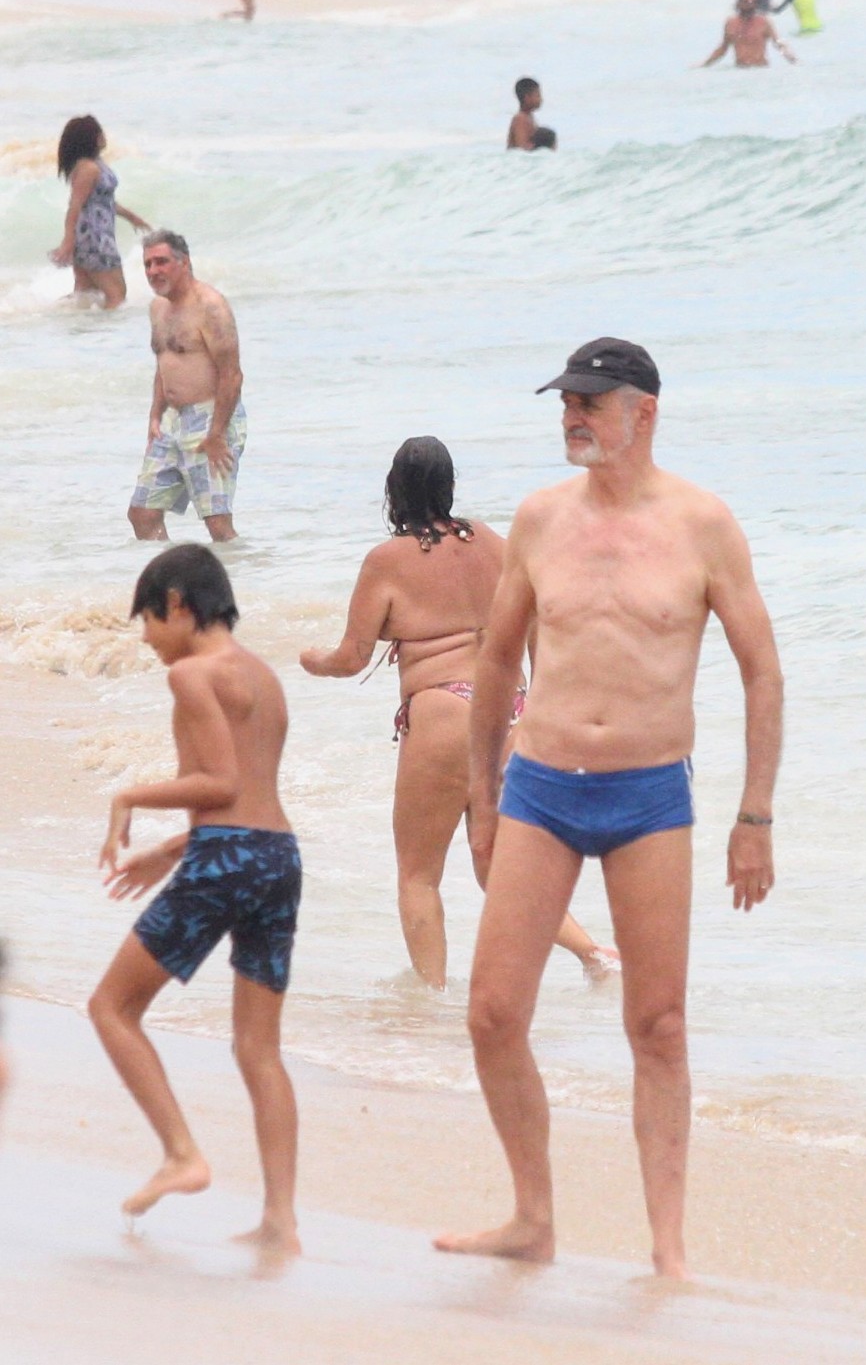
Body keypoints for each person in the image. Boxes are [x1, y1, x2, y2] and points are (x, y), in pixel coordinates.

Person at [432, 338, 781, 1276]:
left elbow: (761, 671)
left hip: (648, 793)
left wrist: (755, 817)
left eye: (590, 400)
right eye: (565, 402)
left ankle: (666, 1247)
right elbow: (497, 656)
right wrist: (480, 792)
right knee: (493, 1012)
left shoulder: (703, 525)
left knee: (657, 1024)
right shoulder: (541, 519)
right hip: (540, 787)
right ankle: (532, 1217)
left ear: (644, 413)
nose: (572, 415)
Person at [299, 438, 613, 988]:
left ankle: (430, 1002)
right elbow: (538, 630)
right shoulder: (495, 542)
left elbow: (352, 658)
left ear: (395, 489)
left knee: (419, 877)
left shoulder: (388, 560)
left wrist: (312, 661)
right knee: (496, 868)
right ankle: (594, 956)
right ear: (449, 486)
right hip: (509, 711)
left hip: (444, 712)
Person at [89, 544, 301, 1256]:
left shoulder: (189, 673)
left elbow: (215, 782)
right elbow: (250, 796)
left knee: (112, 1006)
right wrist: (168, 849)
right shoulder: (264, 677)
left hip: (226, 859)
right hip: (277, 858)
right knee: (259, 1049)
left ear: (178, 603)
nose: (146, 638)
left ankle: (182, 1152)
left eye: (148, 619)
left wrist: (127, 796)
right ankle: (281, 1221)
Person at [128, 230, 246, 544]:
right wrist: (155, 416)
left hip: (211, 418)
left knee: (216, 521)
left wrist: (217, 433)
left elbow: (232, 375)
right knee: (143, 512)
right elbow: (163, 365)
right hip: (171, 422)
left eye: (161, 262)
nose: (153, 271)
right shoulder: (158, 308)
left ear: (184, 262)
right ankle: (167, 585)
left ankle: (237, 585)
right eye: (148, 264)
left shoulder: (211, 307)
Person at [49, 116, 150, 310]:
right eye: (99, 132)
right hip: (95, 239)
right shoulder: (89, 168)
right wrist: (68, 241)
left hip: (92, 237)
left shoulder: (95, 163)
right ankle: (108, 338)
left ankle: (75, 331)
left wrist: (133, 218)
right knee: (117, 295)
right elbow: (75, 206)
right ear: (90, 137)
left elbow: (104, 202)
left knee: (85, 297)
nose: (103, 136)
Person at [702, 0, 796, 68]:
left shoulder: (763, 22)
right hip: (740, 69)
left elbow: (778, 44)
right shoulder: (731, 23)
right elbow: (723, 48)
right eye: (746, 1)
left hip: (760, 69)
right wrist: (704, 65)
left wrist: (793, 60)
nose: (750, 4)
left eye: (753, 1)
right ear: (739, 2)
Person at [507, 78, 553, 150]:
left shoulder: (530, 117)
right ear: (527, 97)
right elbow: (521, 149)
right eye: (538, 95)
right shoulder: (520, 119)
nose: (541, 99)